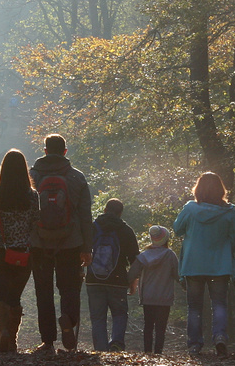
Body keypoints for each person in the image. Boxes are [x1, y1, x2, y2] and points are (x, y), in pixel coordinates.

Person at [29, 134, 93, 353]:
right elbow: (86, 215)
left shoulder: (32, 176)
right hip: (71, 242)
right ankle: (68, 319)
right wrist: (87, 248)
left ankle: (47, 341)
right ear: (65, 152)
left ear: (45, 151)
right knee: (69, 288)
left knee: (43, 290)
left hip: (39, 242)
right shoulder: (77, 177)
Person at [173, 172, 235, 357]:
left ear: (199, 189)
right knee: (219, 304)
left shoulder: (190, 209)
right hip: (220, 265)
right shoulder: (229, 212)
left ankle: (195, 344)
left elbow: (177, 229)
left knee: (195, 306)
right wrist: (229, 251)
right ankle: (219, 336)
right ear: (221, 190)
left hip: (194, 264)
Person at [0, 149, 39, 353]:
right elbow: (35, 222)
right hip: (23, 254)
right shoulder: (33, 197)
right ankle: (12, 339)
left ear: (2, 170)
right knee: (14, 297)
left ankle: (2, 333)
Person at [85, 198, 140, 351]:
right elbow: (135, 260)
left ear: (105, 210)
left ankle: (101, 349)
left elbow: (82, 251)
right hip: (117, 280)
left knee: (97, 317)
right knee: (119, 314)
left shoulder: (92, 228)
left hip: (93, 279)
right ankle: (116, 343)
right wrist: (132, 280)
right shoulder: (126, 230)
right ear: (120, 213)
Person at [127, 225, 179, 354]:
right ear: (166, 240)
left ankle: (147, 352)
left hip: (148, 296)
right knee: (161, 327)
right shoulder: (170, 255)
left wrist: (125, 284)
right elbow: (178, 275)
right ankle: (158, 352)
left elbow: (132, 274)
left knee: (148, 326)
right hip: (164, 297)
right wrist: (186, 285)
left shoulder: (143, 256)